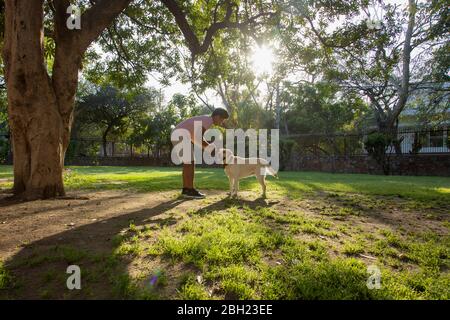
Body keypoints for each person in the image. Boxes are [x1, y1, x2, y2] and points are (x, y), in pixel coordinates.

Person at [171, 108, 229, 199]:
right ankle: (189, 190)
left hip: (178, 134)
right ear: (217, 116)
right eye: (222, 119)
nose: (221, 122)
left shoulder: (205, 120)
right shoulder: (208, 121)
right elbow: (198, 137)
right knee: (190, 162)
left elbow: (195, 138)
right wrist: (209, 147)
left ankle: (186, 189)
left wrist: (208, 147)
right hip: (180, 135)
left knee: (189, 162)